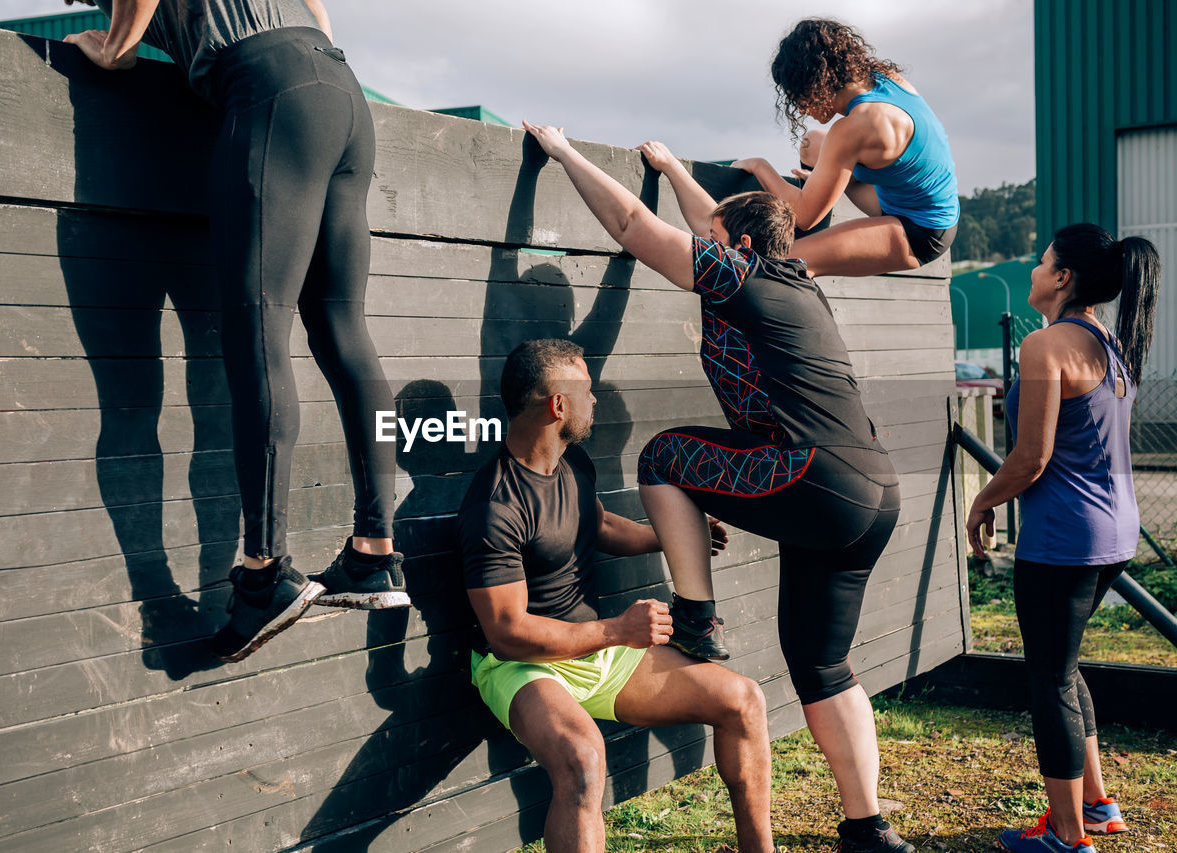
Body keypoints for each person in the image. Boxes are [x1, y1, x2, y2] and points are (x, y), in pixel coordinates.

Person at [523, 120, 910, 853]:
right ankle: (868, 829)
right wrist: (671, 167)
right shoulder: (793, 277)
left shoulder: (737, 273)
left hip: (813, 475)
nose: (704, 242)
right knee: (822, 662)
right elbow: (717, 222)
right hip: (873, 492)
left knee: (664, 457)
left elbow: (635, 225)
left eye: (714, 237)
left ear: (730, 248)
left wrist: (565, 150)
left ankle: (696, 615)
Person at [61, 0, 409, 664]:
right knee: (343, 331)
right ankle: (374, 554)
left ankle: (264, 571)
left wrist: (113, 50)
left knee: (258, 328)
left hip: (269, 87)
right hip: (337, 86)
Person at [457, 339, 774, 853]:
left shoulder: (573, 463)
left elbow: (599, 524)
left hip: (594, 651)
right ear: (557, 405)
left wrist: (675, 536)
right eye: (585, 389)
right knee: (583, 758)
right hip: (521, 667)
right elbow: (507, 633)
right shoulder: (495, 505)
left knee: (743, 701)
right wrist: (616, 631)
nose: (595, 399)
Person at [966, 224, 1159, 853]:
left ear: (1062, 277)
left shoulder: (1047, 346)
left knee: (1048, 681)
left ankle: (1068, 839)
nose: (1032, 272)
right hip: (1114, 533)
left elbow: (1031, 457)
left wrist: (981, 501)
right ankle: (1097, 806)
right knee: (1064, 667)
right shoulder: (1110, 338)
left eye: (1041, 262)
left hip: (1064, 540)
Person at [730, 18, 959, 278]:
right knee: (812, 142)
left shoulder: (855, 128)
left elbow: (804, 215)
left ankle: (807, 259)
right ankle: (815, 222)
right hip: (897, 195)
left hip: (921, 231)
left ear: (816, 83)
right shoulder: (885, 79)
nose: (802, 110)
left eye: (800, 98)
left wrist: (759, 166)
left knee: (780, 264)